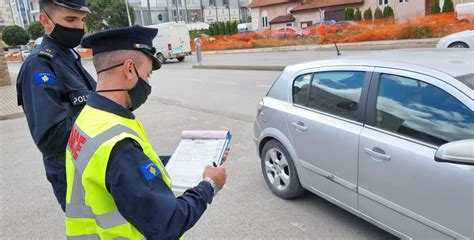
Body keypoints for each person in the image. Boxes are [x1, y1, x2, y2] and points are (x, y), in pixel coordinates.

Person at [65, 25, 227, 239]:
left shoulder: (89, 116)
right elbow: (169, 222)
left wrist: (189, 161)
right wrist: (210, 185)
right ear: (129, 69)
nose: (148, 85)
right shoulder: (117, 143)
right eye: (148, 75)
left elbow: (122, 171)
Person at [16, 0, 96, 212]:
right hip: (72, 173)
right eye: (70, 19)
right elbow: (50, 137)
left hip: (93, 166)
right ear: (45, 20)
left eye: (81, 20)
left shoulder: (69, 57)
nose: (78, 27)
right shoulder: (40, 64)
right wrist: (104, 113)